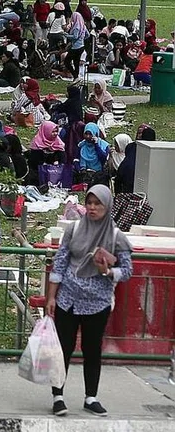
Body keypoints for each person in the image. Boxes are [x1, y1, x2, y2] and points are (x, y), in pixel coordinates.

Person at [45, 185, 133, 416]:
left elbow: (127, 269)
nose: (92, 208)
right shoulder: (73, 230)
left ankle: (91, 397)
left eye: (98, 204)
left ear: (107, 206)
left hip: (98, 303)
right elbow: (60, 263)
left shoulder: (116, 236)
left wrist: (109, 272)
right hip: (68, 300)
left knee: (92, 350)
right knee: (62, 349)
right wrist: (51, 297)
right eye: (89, 203)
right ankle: (58, 396)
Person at [116, 125, 156, 194]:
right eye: (138, 133)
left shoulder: (149, 150)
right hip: (128, 182)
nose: (138, 136)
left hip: (134, 183)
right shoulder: (132, 147)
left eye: (141, 134)